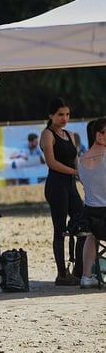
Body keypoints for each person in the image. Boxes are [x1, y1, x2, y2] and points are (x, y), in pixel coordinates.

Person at [40, 97, 84, 285]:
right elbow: (52, 163)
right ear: (51, 115)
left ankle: (78, 270)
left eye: (67, 114)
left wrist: (82, 175)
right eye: (60, 114)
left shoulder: (71, 135)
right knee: (60, 228)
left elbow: (75, 159)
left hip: (71, 185)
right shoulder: (47, 135)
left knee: (83, 223)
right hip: (56, 185)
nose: (64, 118)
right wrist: (75, 172)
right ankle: (61, 273)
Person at [76, 117, 106, 288]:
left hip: (89, 215)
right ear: (99, 136)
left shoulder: (81, 160)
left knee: (91, 237)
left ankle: (86, 276)